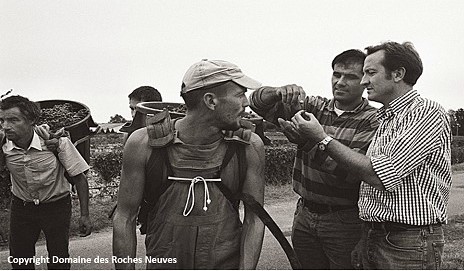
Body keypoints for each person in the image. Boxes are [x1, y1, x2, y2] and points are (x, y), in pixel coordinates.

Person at [292, 41, 452, 269]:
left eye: (371, 73)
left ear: (398, 74)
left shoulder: (425, 112)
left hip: (408, 242)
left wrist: (321, 138)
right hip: (378, 235)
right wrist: (365, 236)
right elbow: (370, 192)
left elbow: (379, 175)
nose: (364, 81)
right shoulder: (388, 118)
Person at [113, 59, 265, 269]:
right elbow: (124, 218)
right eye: (240, 95)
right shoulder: (142, 145)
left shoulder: (248, 147)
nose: (246, 103)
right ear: (211, 101)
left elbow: (254, 220)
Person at [249, 49, 378, 269]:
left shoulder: (372, 120)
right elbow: (255, 103)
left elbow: (352, 173)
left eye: (350, 77)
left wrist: (307, 142)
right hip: (305, 214)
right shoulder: (313, 107)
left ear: (365, 81)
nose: (340, 82)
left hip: (345, 221)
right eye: (336, 75)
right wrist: (277, 92)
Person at [0, 95, 92, 270]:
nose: (5, 126)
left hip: (56, 207)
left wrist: (84, 215)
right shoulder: (4, 146)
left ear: (31, 121)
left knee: (59, 258)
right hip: (22, 208)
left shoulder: (56, 142)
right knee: (20, 260)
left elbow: (80, 179)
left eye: (13, 120)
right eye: (2, 120)